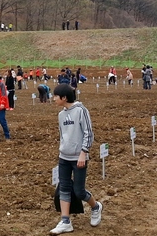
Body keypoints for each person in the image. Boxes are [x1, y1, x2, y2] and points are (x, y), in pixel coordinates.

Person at [50, 84, 102, 234]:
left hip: (79, 158)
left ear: (64, 97)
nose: (53, 99)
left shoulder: (81, 111)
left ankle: (96, 207)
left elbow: (88, 133)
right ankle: (65, 221)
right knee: (64, 189)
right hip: (64, 158)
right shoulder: (60, 115)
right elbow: (62, 136)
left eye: (55, 96)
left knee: (79, 191)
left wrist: (83, 153)